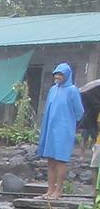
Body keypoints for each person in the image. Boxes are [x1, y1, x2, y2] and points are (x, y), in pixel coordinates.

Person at [37, 62, 84, 199]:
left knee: (61, 160)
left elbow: (79, 112)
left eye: (60, 74)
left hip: (64, 129)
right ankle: (50, 190)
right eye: (56, 74)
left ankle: (59, 191)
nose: (57, 76)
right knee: (50, 160)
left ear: (67, 75)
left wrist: (68, 122)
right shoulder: (53, 89)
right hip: (50, 128)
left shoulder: (72, 90)